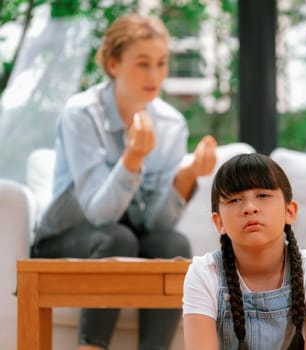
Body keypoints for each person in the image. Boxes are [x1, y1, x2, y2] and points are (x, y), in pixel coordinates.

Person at [30, 13, 217, 350]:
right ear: (113, 64)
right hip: (67, 238)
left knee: (173, 245)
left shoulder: (171, 124)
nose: (154, 75)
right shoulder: (82, 113)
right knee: (118, 238)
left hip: (130, 235)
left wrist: (185, 178)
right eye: (143, 64)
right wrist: (131, 161)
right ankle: (91, 346)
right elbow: (98, 214)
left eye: (161, 64)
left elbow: (154, 224)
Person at [183, 153, 306, 350]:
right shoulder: (204, 273)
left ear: (289, 212)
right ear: (219, 222)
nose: (249, 208)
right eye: (234, 200)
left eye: (263, 195)